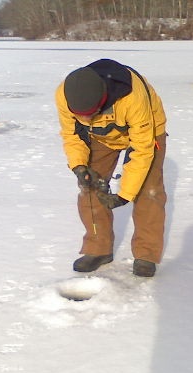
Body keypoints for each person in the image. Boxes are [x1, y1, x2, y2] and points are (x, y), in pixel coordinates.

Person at [56, 59, 167, 277]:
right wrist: (78, 166)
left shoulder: (132, 97)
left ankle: (146, 254)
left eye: (88, 113)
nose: (84, 118)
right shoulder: (63, 94)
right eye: (80, 115)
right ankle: (98, 248)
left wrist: (124, 195)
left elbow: (142, 151)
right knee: (90, 185)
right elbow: (71, 135)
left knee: (148, 192)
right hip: (100, 135)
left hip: (146, 132)